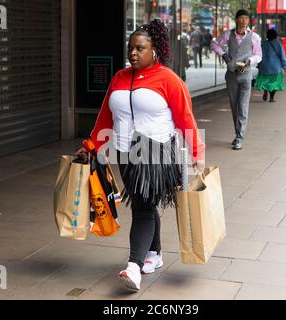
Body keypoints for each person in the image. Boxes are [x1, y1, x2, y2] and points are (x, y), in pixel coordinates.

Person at [76, 19, 205, 291]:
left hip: (155, 152)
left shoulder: (169, 80)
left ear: (154, 50)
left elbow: (185, 119)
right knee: (145, 201)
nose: (133, 53)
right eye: (130, 48)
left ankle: (133, 266)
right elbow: (106, 117)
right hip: (125, 152)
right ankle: (154, 254)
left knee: (142, 206)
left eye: (140, 48)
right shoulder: (119, 78)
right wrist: (91, 145)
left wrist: (196, 152)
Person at [211, 9, 262, 150]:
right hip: (231, 75)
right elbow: (214, 44)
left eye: (246, 18)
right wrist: (224, 55)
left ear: (248, 21)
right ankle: (237, 133)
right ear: (236, 19)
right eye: (241, 18)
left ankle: (240, 137)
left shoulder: (254, 37)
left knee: (243, 107)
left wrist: (249, 61)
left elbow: (259, 55)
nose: (244, 20)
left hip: (246, 76)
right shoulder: (228, 34)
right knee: (234, 107)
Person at [255, 28, 286, 102]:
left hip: (264, 67)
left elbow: (258, 55)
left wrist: (259, 64)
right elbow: (282, 56)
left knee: (265, 80)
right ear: (276, 36)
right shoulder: (278, 44)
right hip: (275, 67)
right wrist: (284, 66)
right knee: (274, 82)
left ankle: (265, 91)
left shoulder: (263, 44)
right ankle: (272, 98)